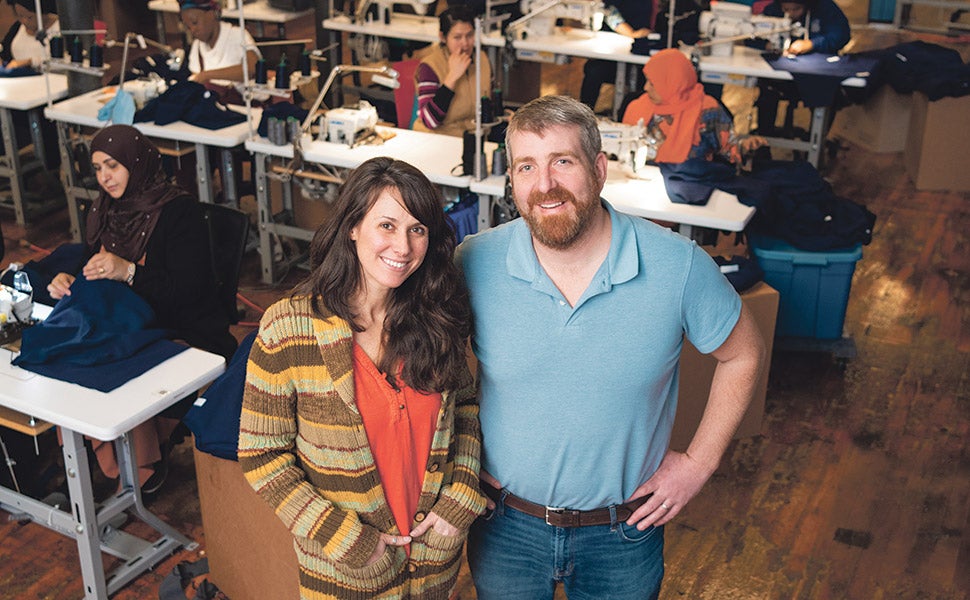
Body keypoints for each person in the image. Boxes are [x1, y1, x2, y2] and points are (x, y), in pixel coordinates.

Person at [458, 95, 766, 599]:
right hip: (503, 525)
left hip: (622, 533)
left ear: (599, 169)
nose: (545, 185)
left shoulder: (676, 265)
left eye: (563, 161)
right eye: (526, 167)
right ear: (511, 180)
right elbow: (422, 367)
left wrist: (699, 464)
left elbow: (744, 354)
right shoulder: (474, 262)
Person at [238, 156, 486, 599]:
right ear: (353, 226)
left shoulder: (439, 315)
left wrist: (462, 495)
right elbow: (261, 455)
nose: (403, 247)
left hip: (433, 565)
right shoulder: (290, 328)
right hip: (346, 575)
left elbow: (464, 408)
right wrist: (348, 540)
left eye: (417, 229)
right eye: (386, 225)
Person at [47, 124, 237, 493]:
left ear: (137, 163)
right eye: (98, 168)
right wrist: (70, 277)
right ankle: (101, 458)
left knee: (110, 369)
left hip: (180, 327)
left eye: (113, 166)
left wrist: (129, 271)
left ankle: (140, 467)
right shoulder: (106, 209)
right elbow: (91, 260)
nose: (104, 178)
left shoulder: (178, 212)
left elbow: (189, 292)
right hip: (128, 324)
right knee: (70, 359)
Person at [623, 48, 768, 165]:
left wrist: (746, 146)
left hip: (689, 188)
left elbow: (729, 150)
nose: (645, 87)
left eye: (653, 83)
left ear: (673, 83)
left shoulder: (708, 112)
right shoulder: (638, 107)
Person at [755, 0, 851, 134]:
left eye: (796, 9)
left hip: (817, 76)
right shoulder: (773, 10)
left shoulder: (826, 8)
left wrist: (812, 44)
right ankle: (763, 141)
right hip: (780, 79)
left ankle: (814, 142)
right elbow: (752, 36)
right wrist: (766, 45)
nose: (791, 14)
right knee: (767, 93)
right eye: (786, 9)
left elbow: (841, 35)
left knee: (827, 97)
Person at [414, 4, 492, 137]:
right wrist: (451, 78)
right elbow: (429, 121)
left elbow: (488, 106)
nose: (465, 44)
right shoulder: (430, 66)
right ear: (443, 37)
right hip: (439, 138)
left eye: (469, 35)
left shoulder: (482, 58)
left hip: (474, 136)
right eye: (457, 37)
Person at [579, 0, 653, 111]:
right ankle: (585, 115)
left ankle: (627, 115)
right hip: (620, 45)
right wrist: (632, 33)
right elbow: (609, 13)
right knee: (594, 70)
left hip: (641, 48)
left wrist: (634, 33)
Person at [178, 0, 259, 85]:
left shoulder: (238, 35)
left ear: (212, 14)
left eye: (195, 22)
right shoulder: (197, 46)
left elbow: (252, 69)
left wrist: (207, 75)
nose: (193, 30)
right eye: (188, 27)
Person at [0, 0, 59, 70]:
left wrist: (30, 62)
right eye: (20, 16)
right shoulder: (17, 26)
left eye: (30, 17)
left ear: (43, 13)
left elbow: (64, 59)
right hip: (19, 77)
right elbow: (4, 53)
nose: (24, 21)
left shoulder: (60, 28)